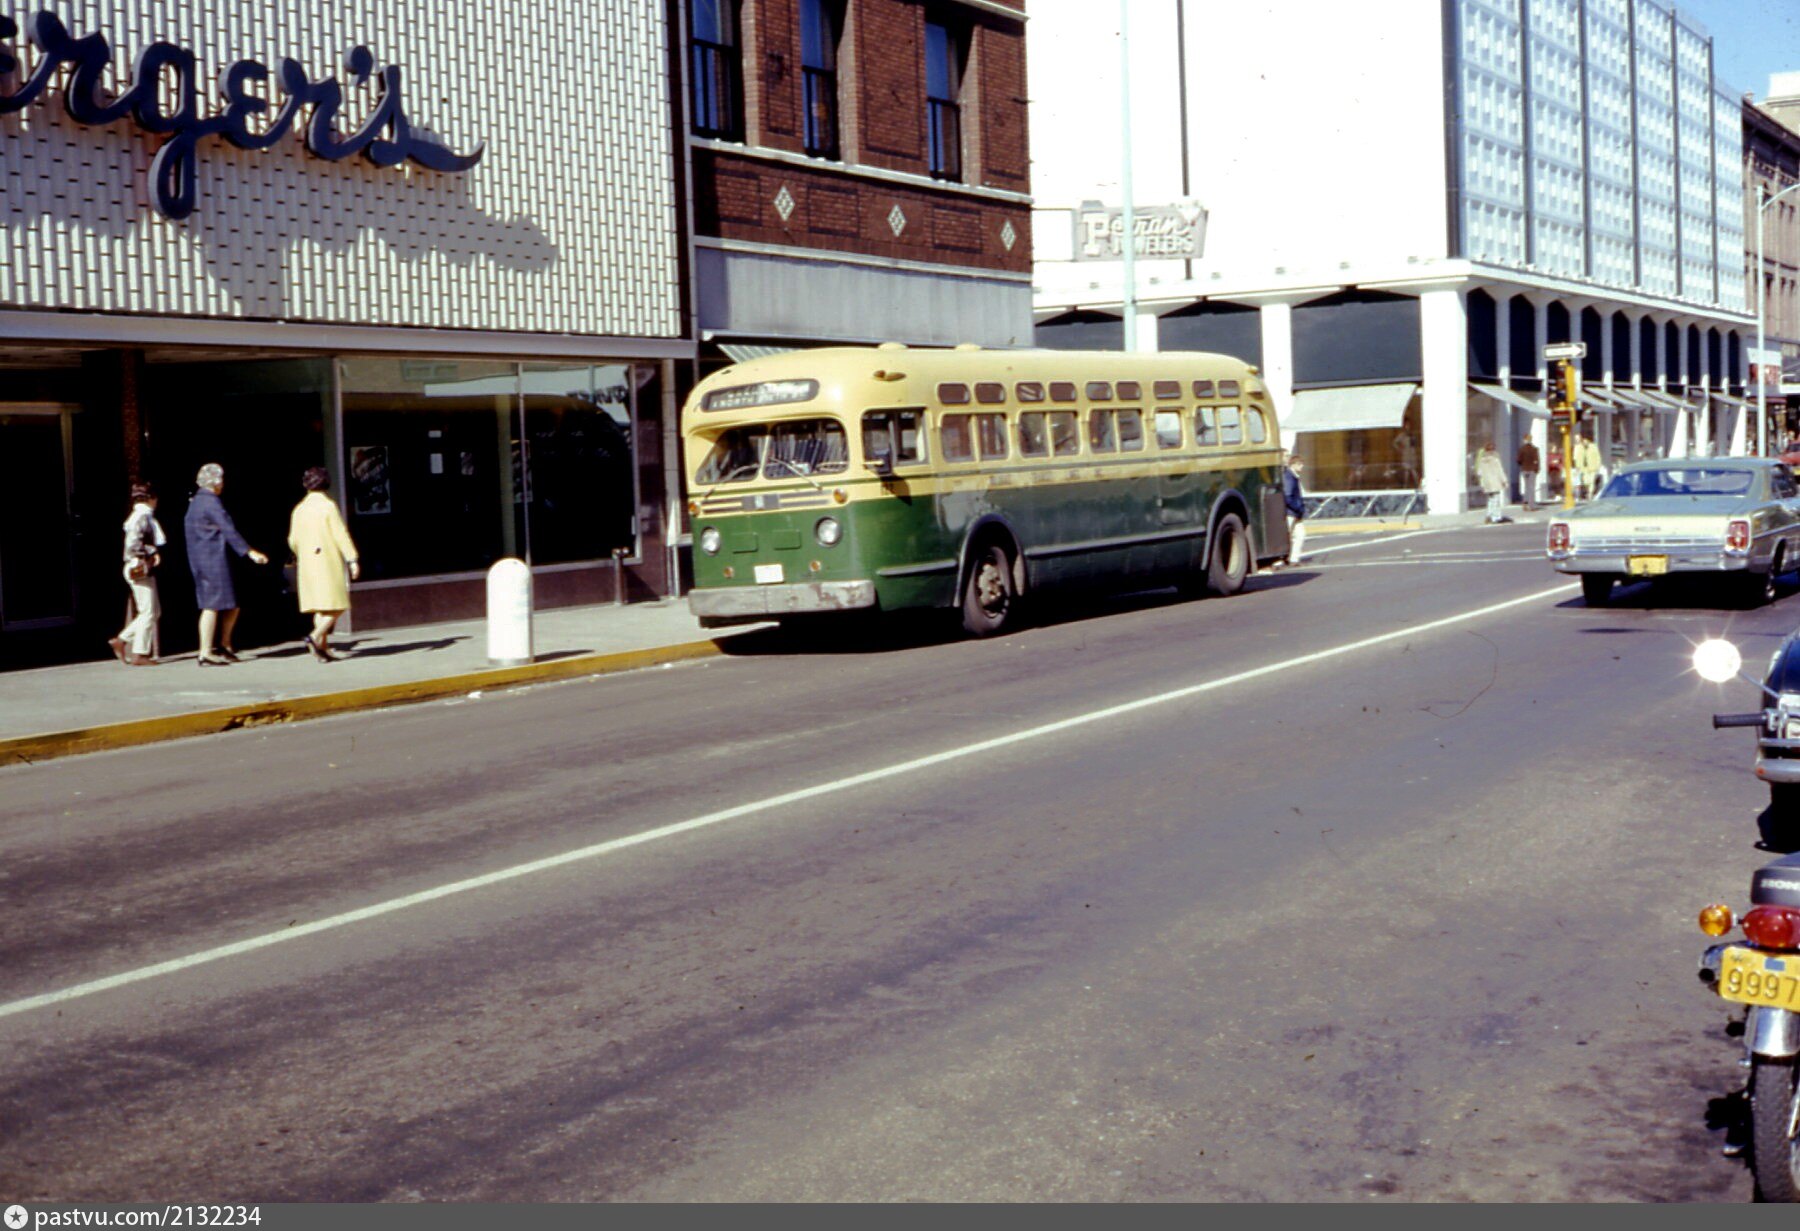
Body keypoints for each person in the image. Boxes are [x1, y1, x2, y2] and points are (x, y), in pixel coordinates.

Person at [184, 462, 268, 666]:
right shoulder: (211, 502)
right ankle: (205, 651)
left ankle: (224, 644)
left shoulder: (195, 502)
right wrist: (249, 552)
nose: (223, 484)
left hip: (200, 558)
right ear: (216, 481)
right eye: (221, 480)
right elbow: (228, 528)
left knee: (231, 603)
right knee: (211, 605)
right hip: (212, 559)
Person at [287, 466, 361, 662]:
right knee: (339, 604)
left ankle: (323, 649)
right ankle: (314, 636)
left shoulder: (299, 509)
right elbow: (340, 534)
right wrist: (352, 559)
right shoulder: (328, 506)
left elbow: (292, 540)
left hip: (307, 562)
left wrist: (303, 552)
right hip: (327, 561)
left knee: (321, 607)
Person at [108, 481, 164, 666]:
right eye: (155, 498)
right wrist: (150, 553)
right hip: (138, 565)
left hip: (139, 564)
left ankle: (122, 640)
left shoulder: (140, 515)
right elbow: (133, 543)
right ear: (150, 498)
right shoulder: (142, 516)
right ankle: (139, 652)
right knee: (148, 611)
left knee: (154, 611)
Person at [1476, 441, 1512, 524]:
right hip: (1495, 482)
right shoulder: (1495, 459)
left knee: (1490, 500)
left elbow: (1479, 473)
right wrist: (1504, 481)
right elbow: (1500, 471)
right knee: (1496, 500)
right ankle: (1496, 517)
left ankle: (1489, 516)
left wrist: (1482, 483)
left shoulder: (1482, 460)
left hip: (1487, 483)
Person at [1281, 452, 1306, 567]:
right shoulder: (1289, 477)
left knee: (1300, 534)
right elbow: (1288, 496)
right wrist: (1298, 507)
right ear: (1294, 465)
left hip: (1295, 512)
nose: (1302, 466)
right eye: (1300, 464)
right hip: (1291, 512)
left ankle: (1294, 559)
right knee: (1287, 536)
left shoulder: (1294, 476)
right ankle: (1282, 559)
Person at [1573, 433, 1605, 500]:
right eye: (1584, 441)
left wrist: (1598, 465)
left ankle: (1590, 493)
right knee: (1586, 482)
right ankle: (1588, 491)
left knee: (1591, 481)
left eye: (1586, 441)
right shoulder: (1579, 447)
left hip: (1592, 467)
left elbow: (1598, 457)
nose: (1585, 442)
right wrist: (1577, 467)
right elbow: (1576, 458)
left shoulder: (1593, 447)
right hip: (1584, 468)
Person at [1516, 438, 1541, 511]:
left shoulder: (1522, 449)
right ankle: (1531, 505)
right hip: (1532, 470)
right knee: (1531, 487)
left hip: (1524, 469)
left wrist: (1522, 464)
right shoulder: (1534, 449)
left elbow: (1518, 460)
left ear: (1524, 440)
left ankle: (1525, 503)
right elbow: (1537, 460)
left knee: (1526, 487)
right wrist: (1536, 469)